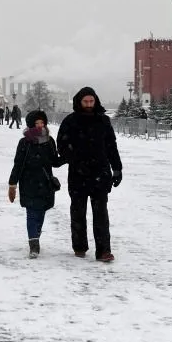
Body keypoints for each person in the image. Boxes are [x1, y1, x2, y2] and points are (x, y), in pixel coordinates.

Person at [57, 87, 123, 263]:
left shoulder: (103, 121)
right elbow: (62, 146)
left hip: (100, 173)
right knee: (78, 212)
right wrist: (75, 158)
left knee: (101, 213)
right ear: (79, 102)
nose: (88, 104)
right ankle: (79, 246)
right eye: (85, 101)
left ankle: (103, 250)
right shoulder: (70, 121)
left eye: (91, 101)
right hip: (78, 174)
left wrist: (117, 168)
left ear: (96, 101)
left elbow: (111, 146)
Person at [8, 110, 64, 258]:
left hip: (45, 183)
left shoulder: (49, 141)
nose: (40, 126)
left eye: (42, 123)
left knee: (41, 212)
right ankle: (34, 244)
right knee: (32, 213)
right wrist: (12, 184)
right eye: (36, 123)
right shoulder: (25, 142)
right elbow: (18, 164)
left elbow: (55, 161)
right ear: (31, 125)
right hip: (29, 182)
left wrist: (68, 154)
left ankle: (36, 236)